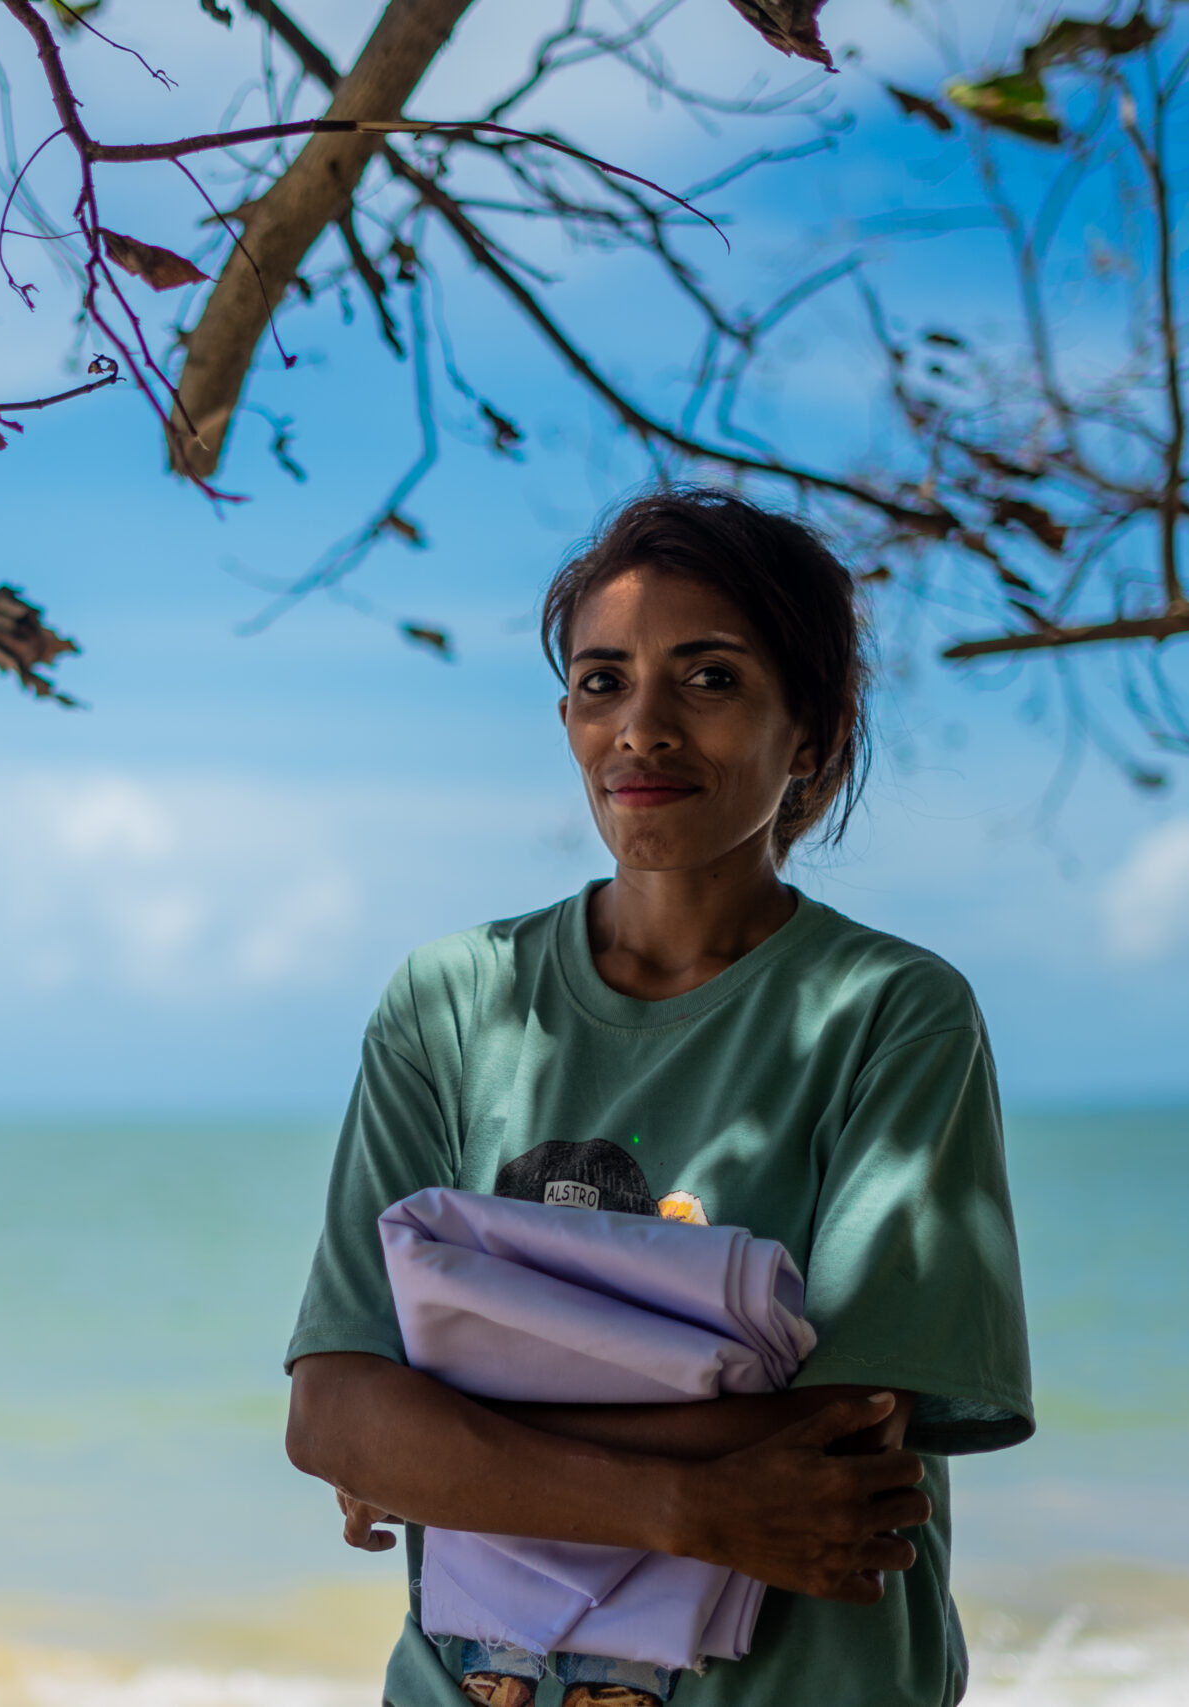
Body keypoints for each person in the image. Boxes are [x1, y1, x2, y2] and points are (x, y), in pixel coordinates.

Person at [282, 488, 1035, 1707]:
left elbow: (842, 1442)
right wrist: (684, 1501)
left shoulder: (888, 1014)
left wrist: (447, 1449)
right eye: (600, 681)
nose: (641, 728)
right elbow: (332, 1416)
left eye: (710, 679)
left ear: (815, 734)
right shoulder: (452, 1003)